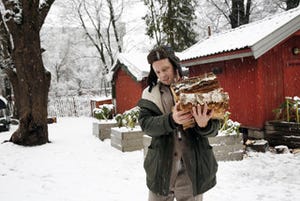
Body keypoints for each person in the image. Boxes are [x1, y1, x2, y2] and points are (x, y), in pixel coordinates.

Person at [137, 45, 220, 201]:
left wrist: (204, 125)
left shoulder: (197, 88)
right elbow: (146, 125)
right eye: (158, 71)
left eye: (165, 69)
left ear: (175, 65)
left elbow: (215, 128)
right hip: (161, 169)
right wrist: (171, 120)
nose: (162, 75)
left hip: (192, 170)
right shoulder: (150, 94)